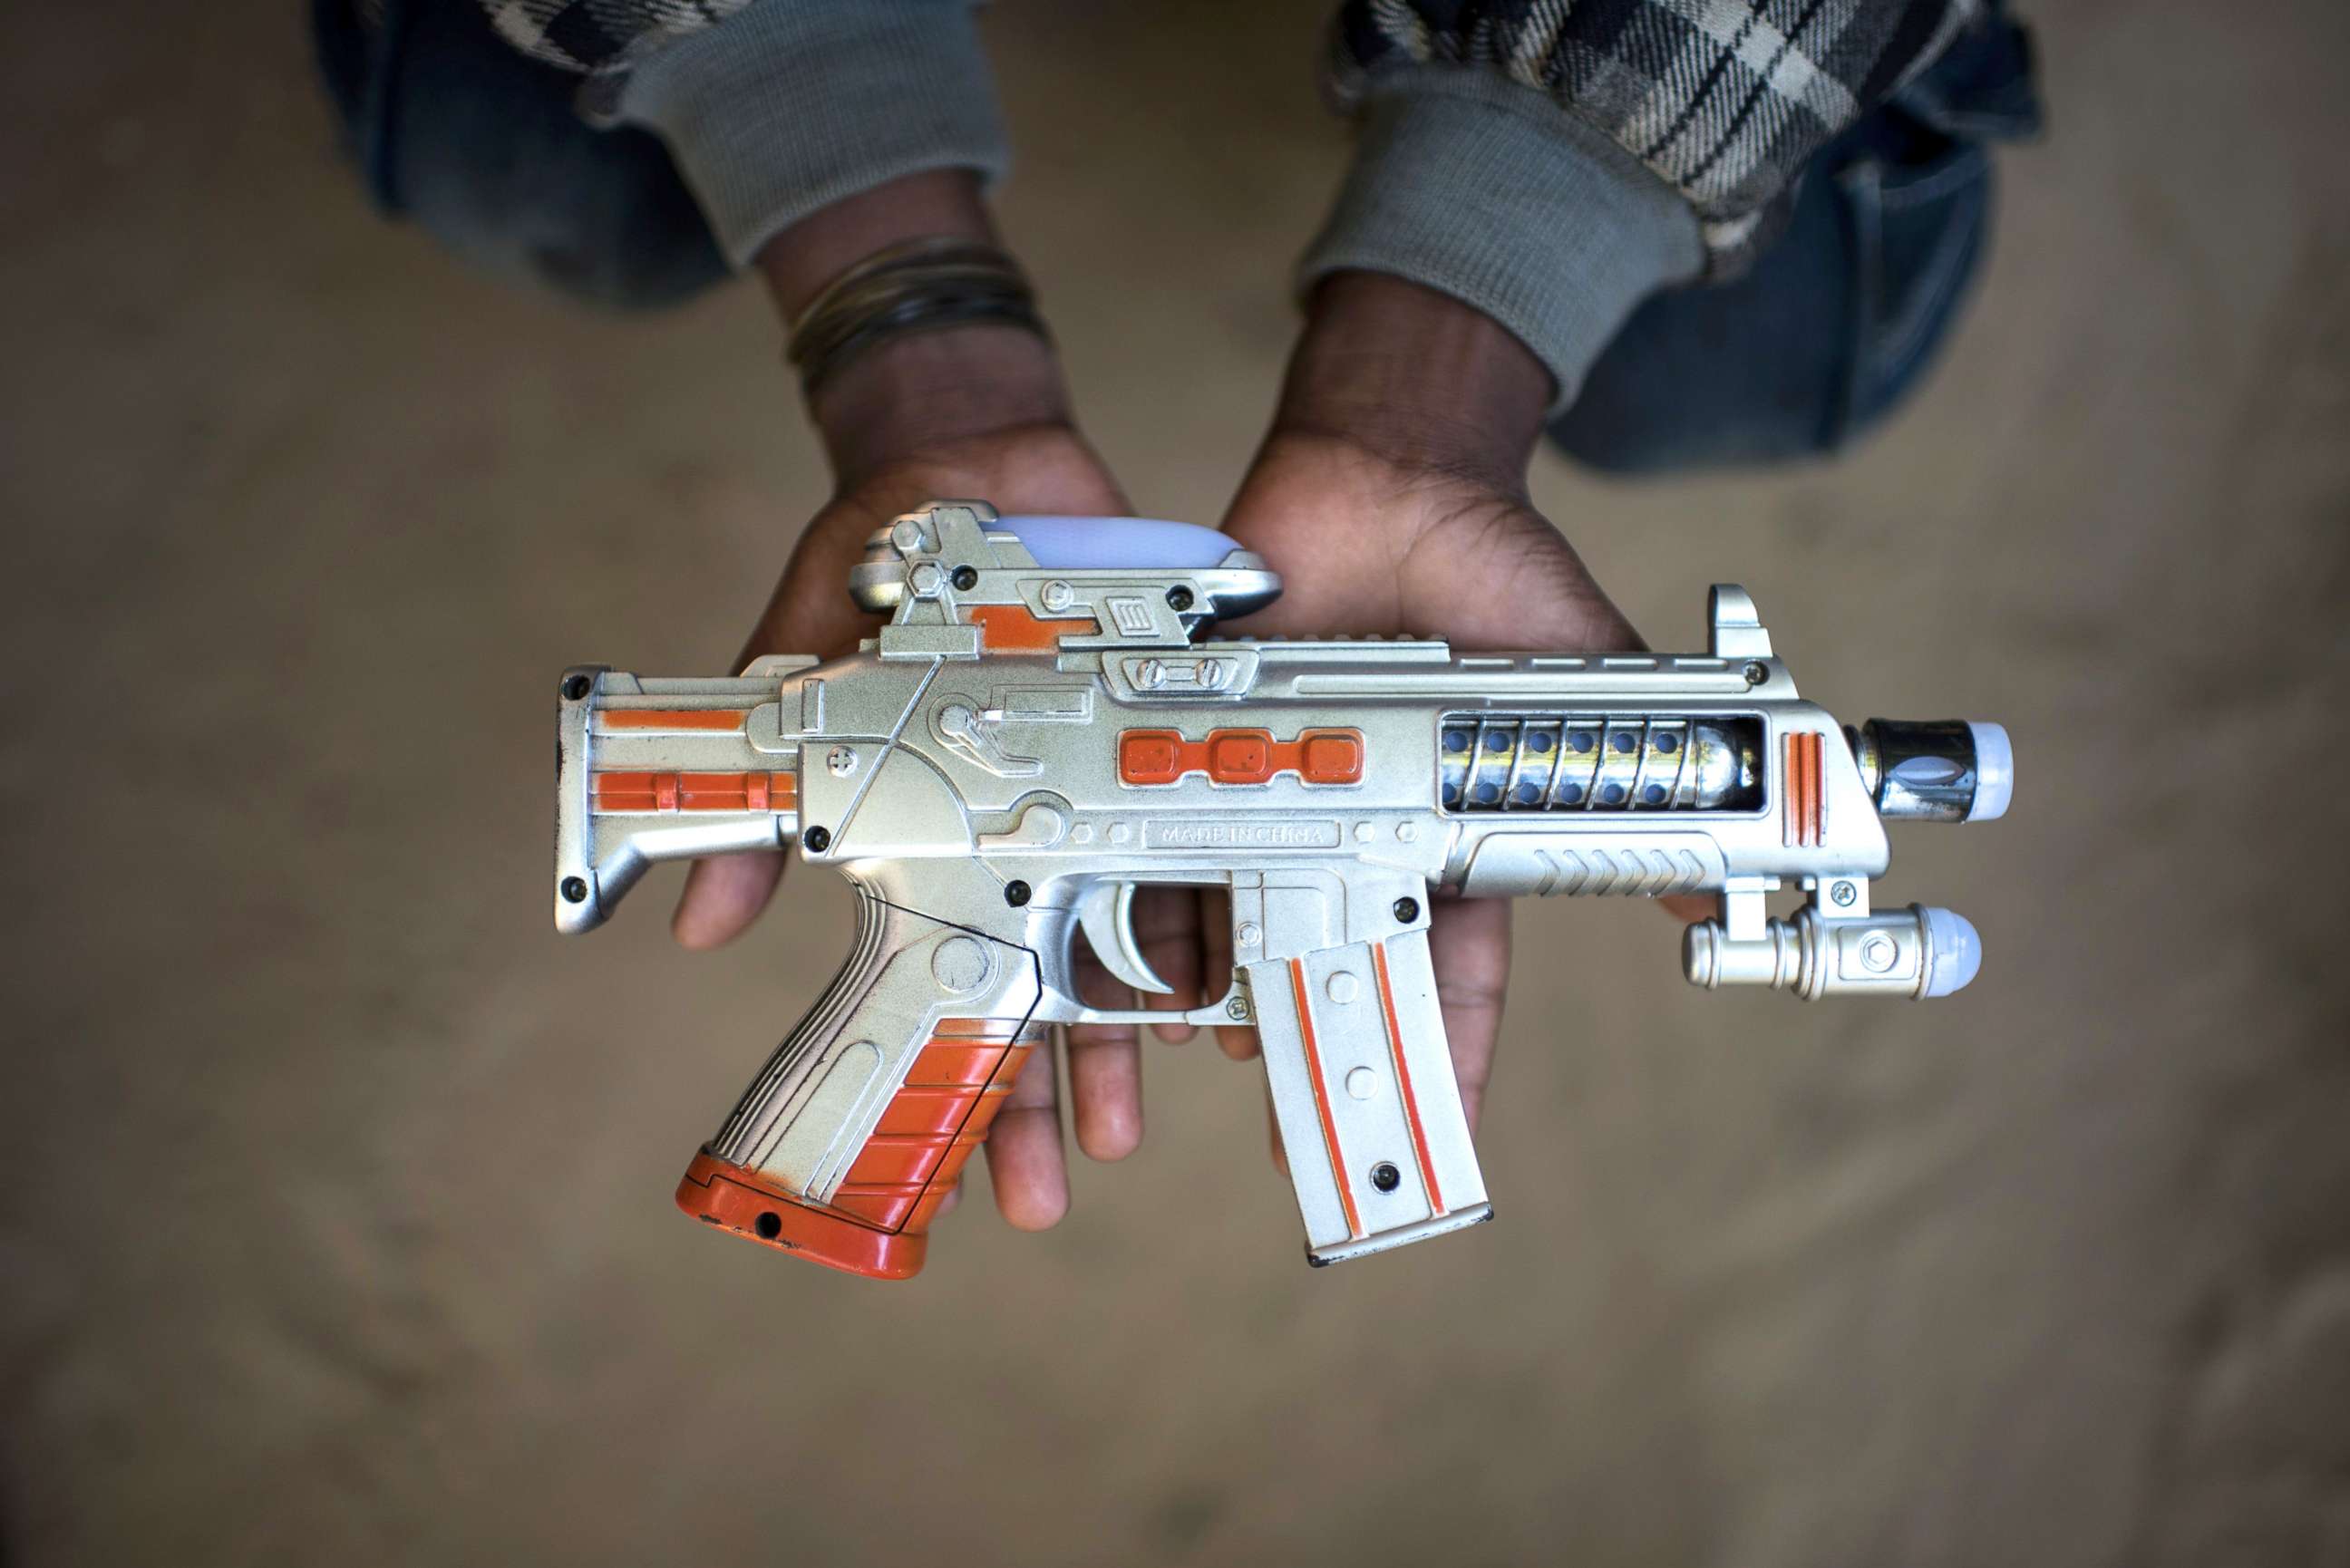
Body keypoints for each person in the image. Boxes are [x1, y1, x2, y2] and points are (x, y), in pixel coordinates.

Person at [318, 0, 2037, 1233]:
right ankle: (804, 1185)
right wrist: (846, 206)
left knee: (1757, 356)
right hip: (979, 742)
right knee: (524, 166)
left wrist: (1458, 318)